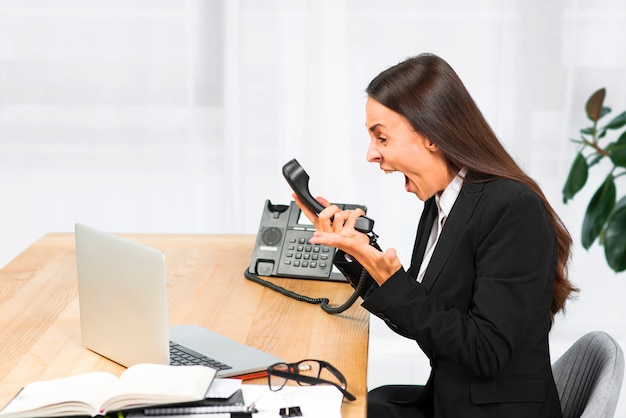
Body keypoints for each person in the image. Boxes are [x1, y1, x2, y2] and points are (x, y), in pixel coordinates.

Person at [293, 53, 577, 418]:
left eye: (381, 137)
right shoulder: (441, 202)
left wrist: (393, 281)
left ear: (430, 136)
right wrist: (356, 256)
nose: (370, 155)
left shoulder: (512, 210)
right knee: (339, 403)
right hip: (453, 397)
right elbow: (424, 318)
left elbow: (485, 352)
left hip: (491, 411)